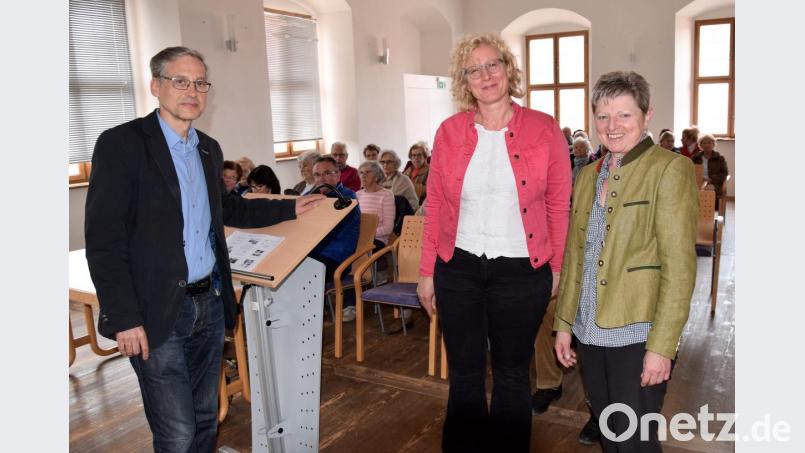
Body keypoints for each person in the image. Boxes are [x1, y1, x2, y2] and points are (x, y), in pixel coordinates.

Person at [84, 46, 323, 452]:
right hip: (156, 310)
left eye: (199, 83)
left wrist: (289, 207)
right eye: (180, 81)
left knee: (205, 421)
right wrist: (124, 318)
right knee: (177, 433)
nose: (192, 91)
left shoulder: (207, 148)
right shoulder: (121, 144)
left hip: (208, 304)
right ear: (155, 85)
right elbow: (104, 241)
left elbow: (227, 208)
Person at [416, 33, 571, 453]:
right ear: (464, 81)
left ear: (508, 69)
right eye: (474, 69)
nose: (485, 76)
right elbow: (436, 206)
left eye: (492, 65)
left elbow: (559, 206)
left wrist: (556, 267)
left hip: (521, 271)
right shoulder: (449, 132)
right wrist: (427, 271)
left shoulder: (544, 128)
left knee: (511, 374)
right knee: (464, 375)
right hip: (459, 268)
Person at [554, 70, 698, 453]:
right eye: (603, 116)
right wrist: (565, 324)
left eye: (624, 115)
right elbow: (576, 257)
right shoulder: (588, 176)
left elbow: (680, 270)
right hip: (590, 331)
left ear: (646, 115)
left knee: (635, 442)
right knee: (610, 435)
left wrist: (662, 347)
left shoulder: (669, 169)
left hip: (638, 334)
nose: (612, 126)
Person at [309, 155, 361, 322]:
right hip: (317, 251)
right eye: (317, 175)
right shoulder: (312, 195)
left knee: (308, 271)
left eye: (326, 173)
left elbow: (332, 231)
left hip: (338, 255)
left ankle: (313, 313)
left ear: (338, 174)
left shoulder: (347, 197)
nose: (321, 179)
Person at [356, 161, 395, 250]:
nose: (363, 176)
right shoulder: (357, 194)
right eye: (361, 173)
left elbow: (388, 228)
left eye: (368, 172)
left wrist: (365, 234)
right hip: (359, 237)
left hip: (377, 239)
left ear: (377, 176)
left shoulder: (386, 195)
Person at [692, 134, 729, 199]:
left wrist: (711, 179)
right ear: (700, 145)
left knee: (707, 189)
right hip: (697, 182)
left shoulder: (720, 158)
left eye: (709, 143)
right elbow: (689, 170)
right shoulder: (695, 157)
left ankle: (706, 206)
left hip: (714, 183)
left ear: (713, 144)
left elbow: (724, 174)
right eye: (704, 143)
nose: (707, 145)